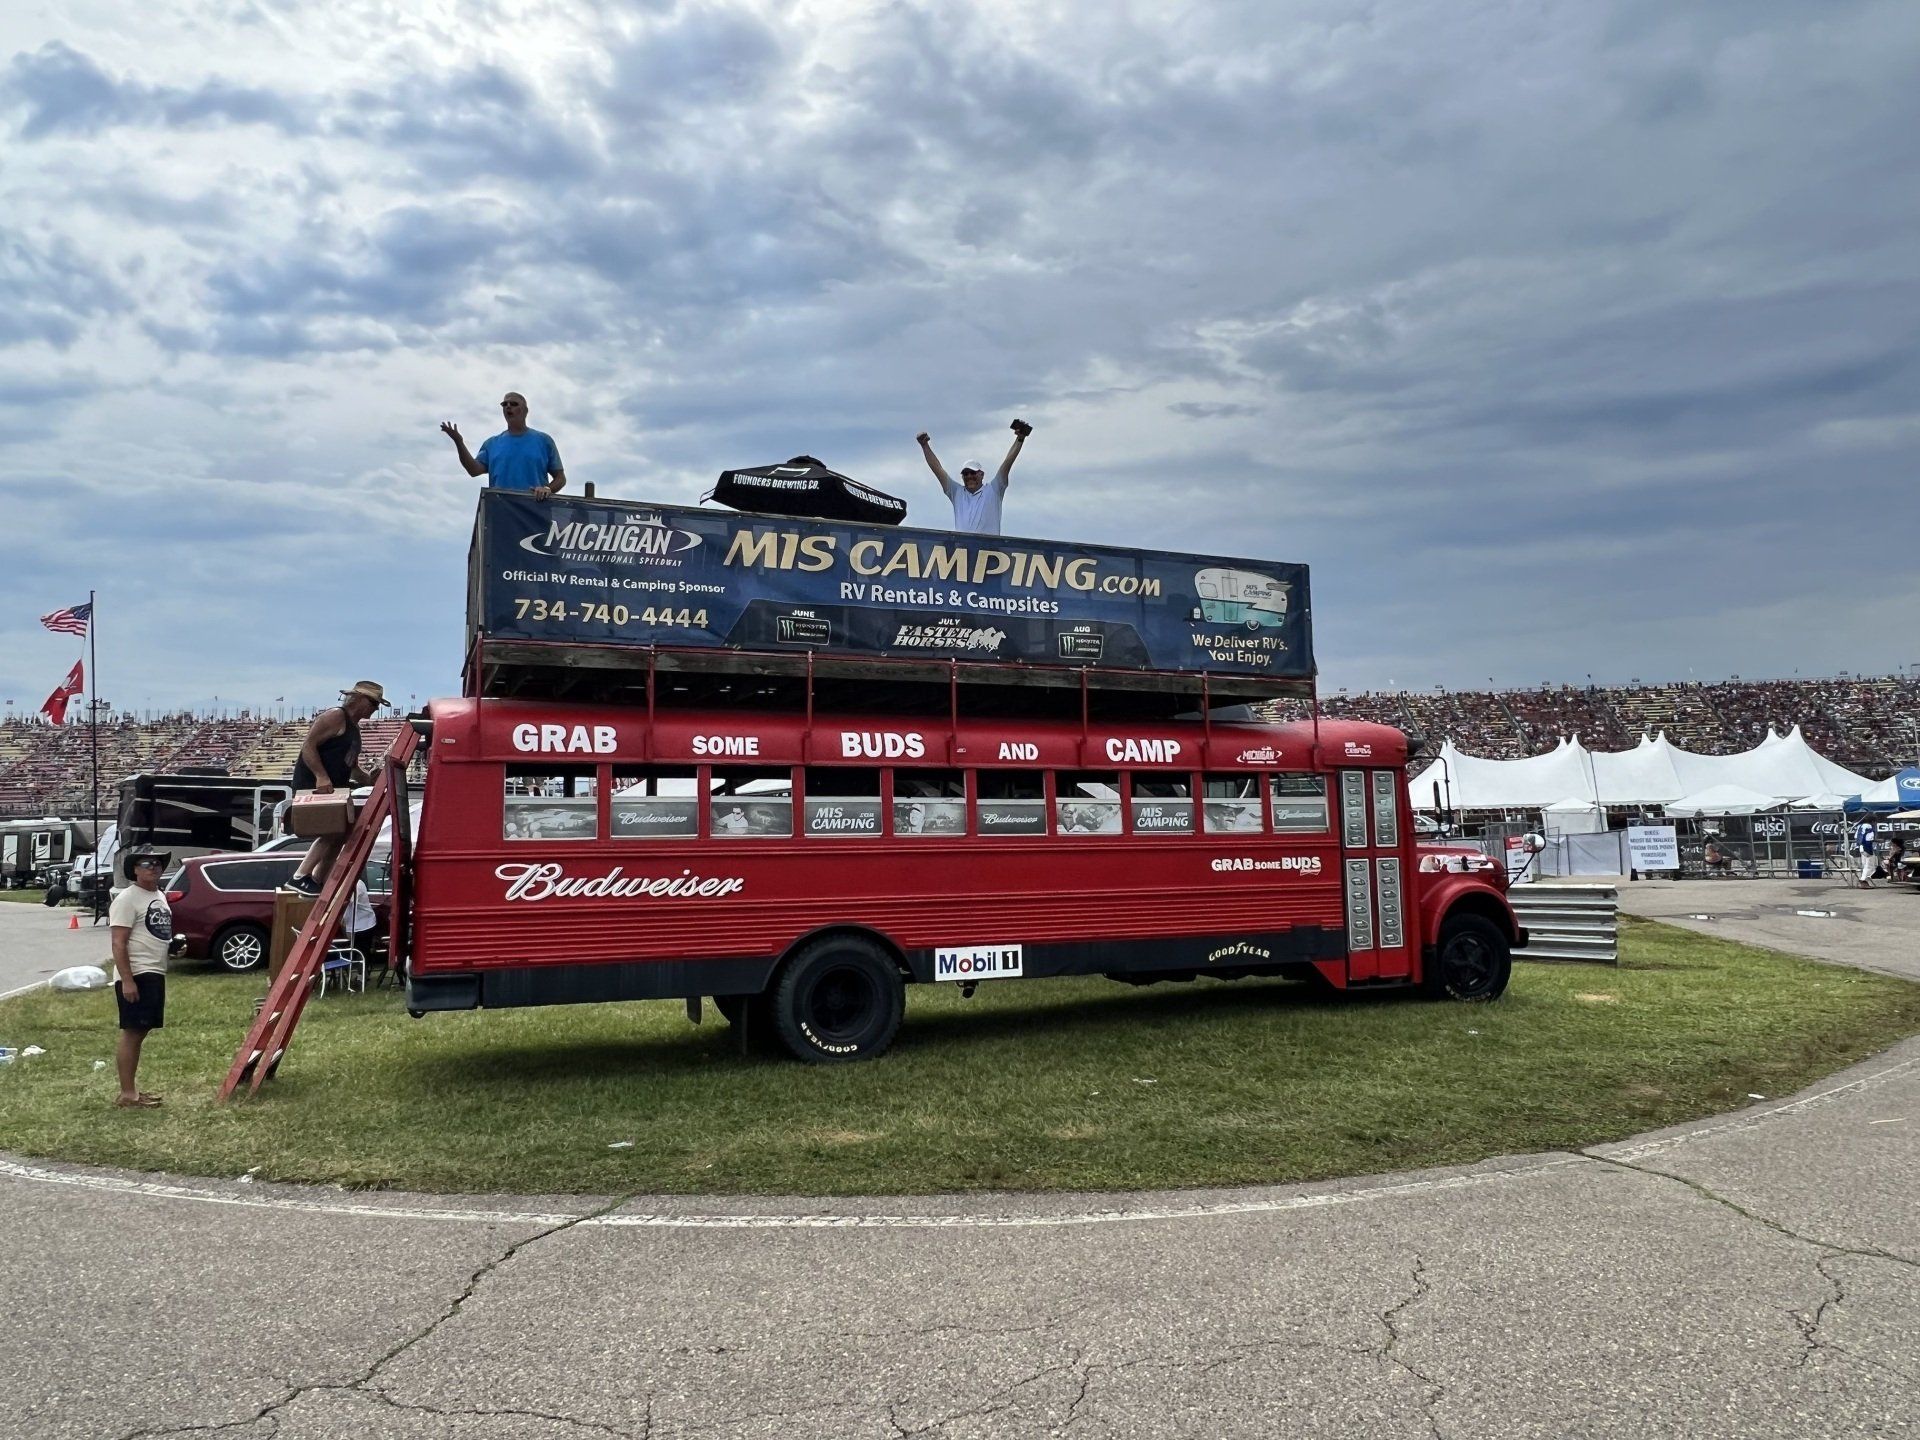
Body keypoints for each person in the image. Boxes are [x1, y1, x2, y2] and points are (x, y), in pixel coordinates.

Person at [283, 681, 387, 897]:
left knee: (339, 833)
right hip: (317, 786)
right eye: (373, 703)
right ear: (358, 699)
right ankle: (299, 876)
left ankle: (317, 880)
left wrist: (369, 779)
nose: (375, 709)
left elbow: (352, 767)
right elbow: (308, 746)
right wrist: (321, 777)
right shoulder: (335, 716)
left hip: (335, 787)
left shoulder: (353, 728)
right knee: (331, 830)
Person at [109, 846, 173, 1108]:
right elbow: (118, 943)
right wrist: (128, 980)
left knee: (142, 1030)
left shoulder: (159, 895)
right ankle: (127, 1094)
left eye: (157, 863)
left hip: (155, 970)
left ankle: (132, 1090)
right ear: (135, 870)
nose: (153, 867)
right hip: (137, 972)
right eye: (146, 863)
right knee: (132, 1032)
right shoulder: (126, 899)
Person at [916, 419, 1032, 536]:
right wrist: (925, 446)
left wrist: (1020, 439)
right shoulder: (957, 493)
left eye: (973, 472)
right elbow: (938, 469)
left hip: (989, 550)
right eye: (965, 474)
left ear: (981, 474)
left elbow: (1007, 463)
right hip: (963, 551)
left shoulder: (993, 490)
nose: (969, 476)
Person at [441, 392, 567, 498]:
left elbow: (560, 478)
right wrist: (459, 442)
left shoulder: (543, 441)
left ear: (525, 411)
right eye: (504, 404)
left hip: (535, 512)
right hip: (501, 511)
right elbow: (474, 470)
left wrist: (547, 489)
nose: (508, 406)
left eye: (514, 404)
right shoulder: (491, 444)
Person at [1855, 816, 1878, 887]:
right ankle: (1863, 880)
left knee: (1865, 865)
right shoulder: (1869, 827)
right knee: (1870, 866)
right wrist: (1876, 840)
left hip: (1860, 846)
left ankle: (1863, 879)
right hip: (1867, 847)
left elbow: (1856, 837)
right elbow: (1869, 838)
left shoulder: (1860, 826)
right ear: (1872, 821)